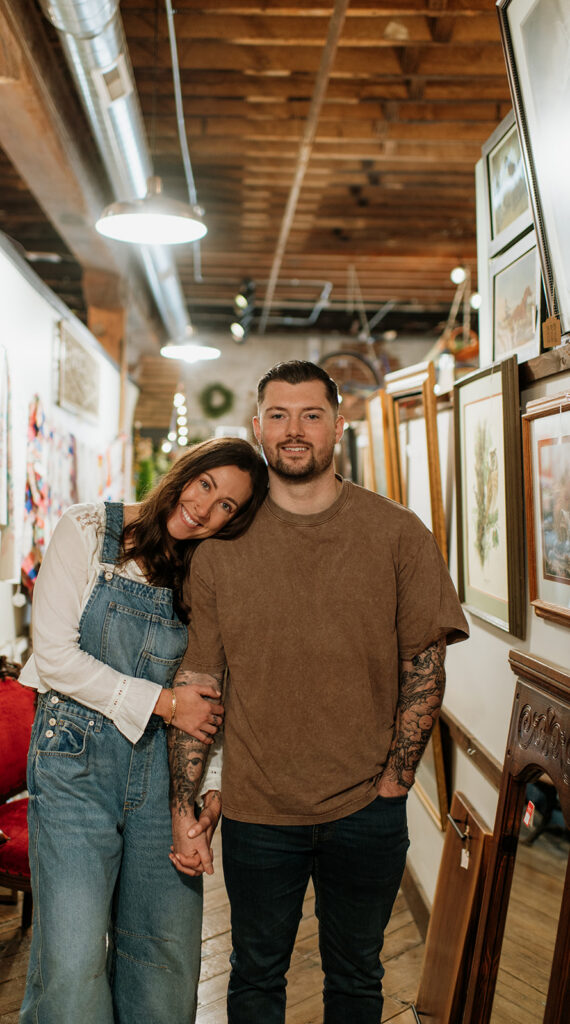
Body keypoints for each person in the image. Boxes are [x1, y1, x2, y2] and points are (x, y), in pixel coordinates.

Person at [168, 361, 470, 1023]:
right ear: (258, 427)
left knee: (358, 978)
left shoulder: (398, 534)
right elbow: (199, 682)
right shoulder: (221, 549)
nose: (293, 430)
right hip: (254, 810)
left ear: (338, 424)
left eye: (310, 415)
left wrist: (395, 781)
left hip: (366, 808)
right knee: (255, 979)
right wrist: (187, 800)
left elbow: (425, 669)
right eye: (278, 415)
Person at [18, 437, 268, 1024]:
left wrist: (213, 783)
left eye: (228, 506)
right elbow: (53, 657)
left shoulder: (209, 570)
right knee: (73, 960)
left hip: (165, 777)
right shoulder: (87, 530)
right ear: (185, 473)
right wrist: (162, 702)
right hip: (72, 765)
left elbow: (214, 687)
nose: (206, 509)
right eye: (206, 485)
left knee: (166, 959)